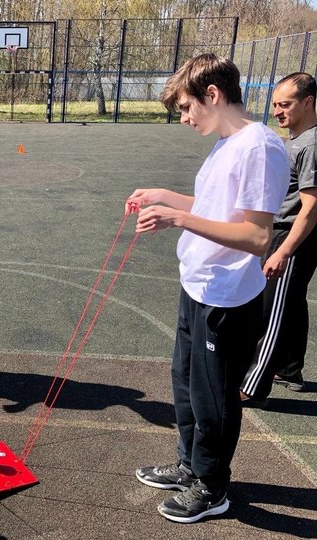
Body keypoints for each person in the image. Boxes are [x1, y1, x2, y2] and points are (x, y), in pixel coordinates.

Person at [125, 53, 289, 524]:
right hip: (197, 285)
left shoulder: (259, 147)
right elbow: (215, 206)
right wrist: (161, 195)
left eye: (185, 108)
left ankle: (212, 486)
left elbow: (258, 235)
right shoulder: (227, 143)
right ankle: (189, 465)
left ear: (212, 95)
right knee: (186, 386)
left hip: (228, 297)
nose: (184, 118)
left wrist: (176, 217)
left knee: (214, 398)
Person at [241, 72, 317, 404]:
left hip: (292, 238)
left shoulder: (312, 144)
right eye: (274, 104)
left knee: (273, 310)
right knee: (291, 303)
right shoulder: (297, 140)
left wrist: (284, 251)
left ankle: (252, 385)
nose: (277, 111)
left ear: (308, 103)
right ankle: (289, 369)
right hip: (285, 234)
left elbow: (312, 208)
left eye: (284, 104)